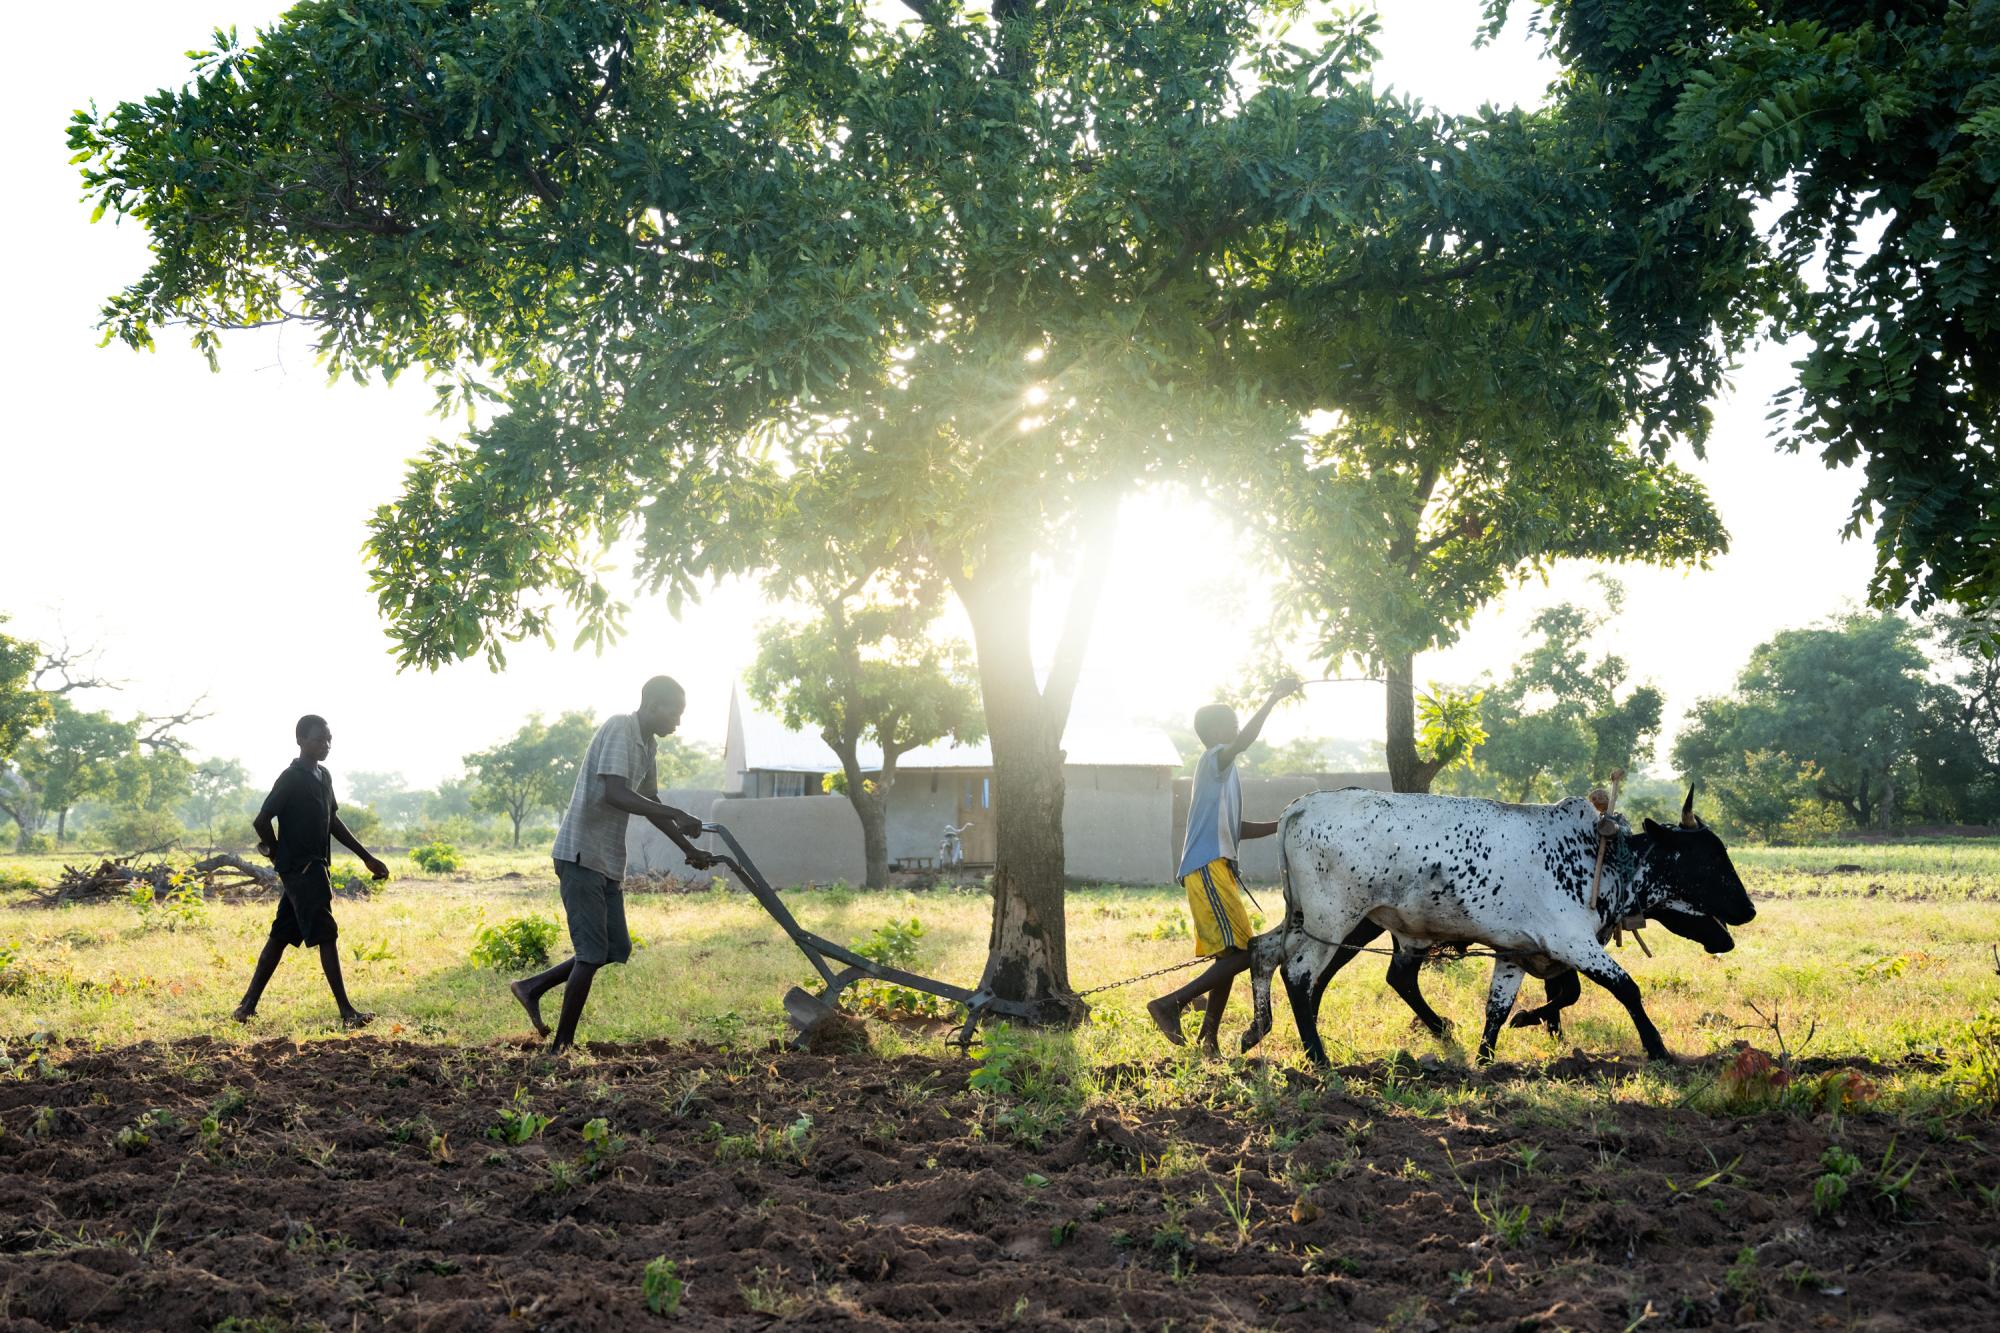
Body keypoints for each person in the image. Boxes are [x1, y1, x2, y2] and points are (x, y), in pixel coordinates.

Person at [511, 676, 716, 1050]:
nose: (678, 722)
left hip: (605, 859)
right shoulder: (621, 727)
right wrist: (677, 812)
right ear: (652, 705)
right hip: (581, 854)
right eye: (675, 713)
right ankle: (561, 1047)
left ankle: (532, 987)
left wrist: (688, 848)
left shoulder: (648, 746)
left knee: (615, 947)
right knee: (591, 954)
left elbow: (650, 803)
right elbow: (615, 793)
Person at [1148, 676, 1301, 1056]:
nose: (1237, 727)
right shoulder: (1215, 759)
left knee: (1231, 956)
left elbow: (1237, 828)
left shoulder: (1223, 775)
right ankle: (1170, 1004)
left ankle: (1208, 1039)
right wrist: (1272, 698)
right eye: (1232, 722)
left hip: (1218, 868)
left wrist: (1282, 823)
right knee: (1244, 954)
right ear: (1215, 733)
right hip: (1207, 866)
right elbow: (1244, 741)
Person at [234, 714, 389, 1028]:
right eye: (319, 739)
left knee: (280, 935)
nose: (326, 745)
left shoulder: (324, 776)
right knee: (327, 935)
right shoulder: (291, 778)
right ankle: (347, 1013)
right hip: (303, 870)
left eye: (329, 740)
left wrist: (367, 858)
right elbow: (262, 821)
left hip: (314, 866)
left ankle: (246, 1007)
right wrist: (276, 852)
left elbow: (332, 821)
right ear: (300, 740)